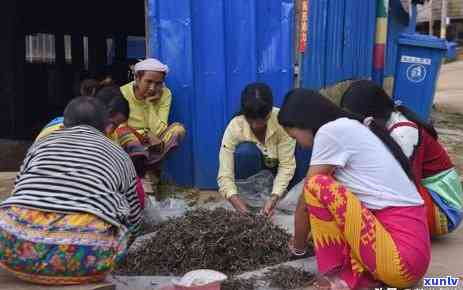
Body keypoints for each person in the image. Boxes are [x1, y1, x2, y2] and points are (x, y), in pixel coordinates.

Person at [278, 89, 430, 289]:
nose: (298, 145)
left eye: (294, 136)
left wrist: (297, 248)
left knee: (316, 186)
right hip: (412, 259)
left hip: (400, 263)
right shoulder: (353, 128)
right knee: (328, 190)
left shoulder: (331, 131)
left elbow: (304, 205)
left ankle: (336, 275)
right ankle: (360, 272)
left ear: (304, 123)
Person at [0, 97, 142, 285]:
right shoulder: (120, 154)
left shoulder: (41, 144)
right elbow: (134, 218)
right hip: (89, 257)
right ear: (106, 126)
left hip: (13, 248)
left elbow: (18, 190)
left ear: (64, 124)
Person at [341, 80, 463, 236]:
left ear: (371, 114)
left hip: (444, 209)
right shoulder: (387, 122)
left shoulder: (403, 132)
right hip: (426, 196)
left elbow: (399, 184)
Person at [217, 83, 296, 216]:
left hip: (278, 172)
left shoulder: (282, 121)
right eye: (251, 120)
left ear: (270, 111)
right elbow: (225, 173)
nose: (256, 126)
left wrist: (274, 197)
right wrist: (235, 201)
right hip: (253, 173)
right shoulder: (236, 126)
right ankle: (249, 199)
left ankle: (275, 197)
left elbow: (287, 165)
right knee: (245, 151)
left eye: (262, 120)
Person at [120, 58, 186, 192]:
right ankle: (138, 174)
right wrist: (141, 132)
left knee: (178, 130)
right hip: (131, 138)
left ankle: (149, 170)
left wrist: (149, 104)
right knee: (125, 133)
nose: (153, 88)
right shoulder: (123, 93)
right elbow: (119, 124)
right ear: (137, 79)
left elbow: (160, 129)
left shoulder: (165, 94)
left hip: (153, 139)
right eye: (148, 81)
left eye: (158, 83)